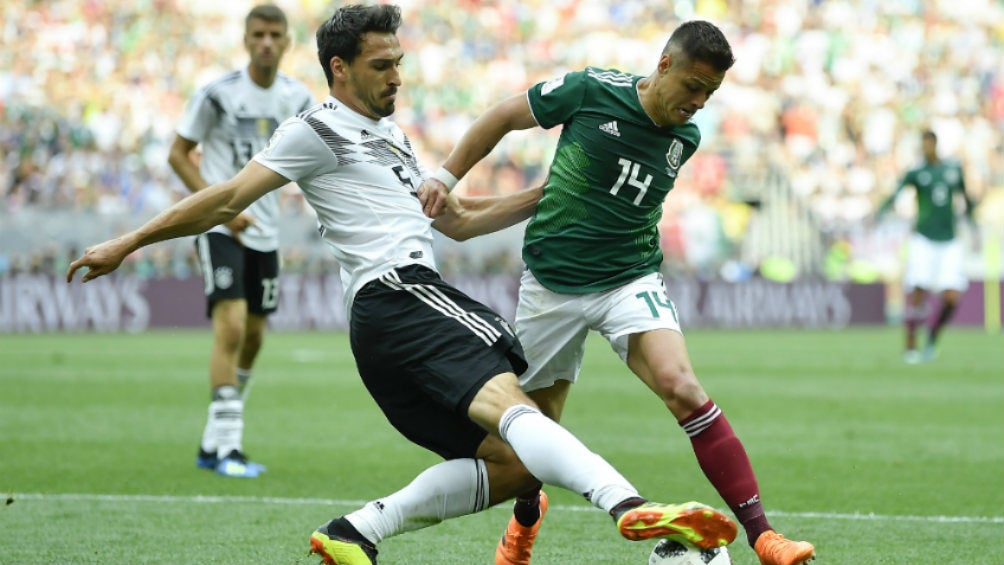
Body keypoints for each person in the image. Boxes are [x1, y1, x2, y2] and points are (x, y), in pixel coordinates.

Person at [68, 5, 739, 565]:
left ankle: (356, 529)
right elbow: (226, 197)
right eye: (381, 65)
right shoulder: (317, 128)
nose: (398, 75)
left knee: (513, 464)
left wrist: (558, 191)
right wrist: (128, 242)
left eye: (400, 61)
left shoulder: (392, 140)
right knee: (523, 411)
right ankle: (641, 516)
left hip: (390, 328)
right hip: (400, 296)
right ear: (340, 69)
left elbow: (458, 225)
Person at [418, 19, 816, 565]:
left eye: (711, 93)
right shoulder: (590, 92)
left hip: (629, 279)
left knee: (682, 386)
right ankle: (525, 521)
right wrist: (446, 176)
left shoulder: (686, 138)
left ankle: (764, 536)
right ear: (664, 65)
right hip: (551, 287)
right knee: (534, 438)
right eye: (694, 86)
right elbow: (504, 116)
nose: (699, 102)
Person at [166, 4, 315, 478]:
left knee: (253, 336)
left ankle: (214, 442)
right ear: (245, 39)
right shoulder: (218, 95)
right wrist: (219, 209)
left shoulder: (298, 97)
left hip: (266, 232)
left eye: (275, 35)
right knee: (229, 328)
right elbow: (178, 153)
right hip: (220, 227)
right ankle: (228, 447)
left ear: (287, 41)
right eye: (258, 35)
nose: (266, 43)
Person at [877, 129, 977, 364]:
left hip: (949, 240)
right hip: (923, 238)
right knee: (919, 291)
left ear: (935, 144)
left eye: (928, 144)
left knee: (952, 297)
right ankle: (910, 344)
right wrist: (883, 209)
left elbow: (965, 196)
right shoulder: (916, 172)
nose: (926, 148)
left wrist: (973, 217)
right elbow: (897, 192)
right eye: (922, 145)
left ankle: (932, 337)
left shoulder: (952, 170)